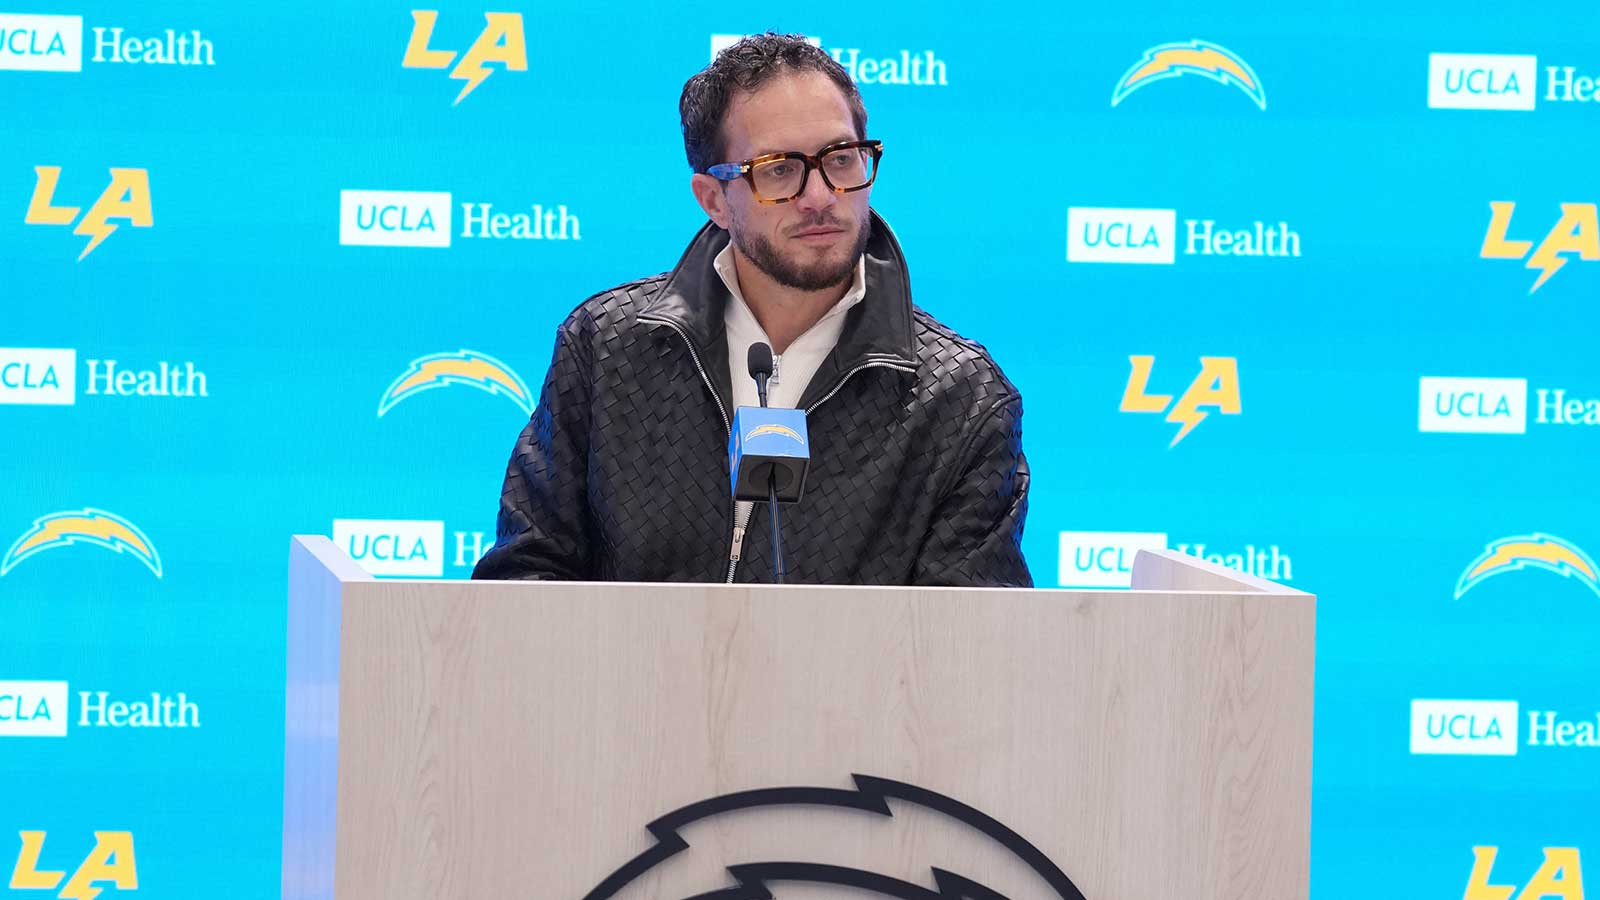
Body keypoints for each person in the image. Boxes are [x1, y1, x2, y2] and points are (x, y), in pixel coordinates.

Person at [472, 32, 1031, 586]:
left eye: (841, 159)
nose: (820, 196)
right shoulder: (607, 348)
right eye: (779, 170)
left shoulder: (961, 398)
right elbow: (526, 575)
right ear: (713, 199)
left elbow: (969, 646)